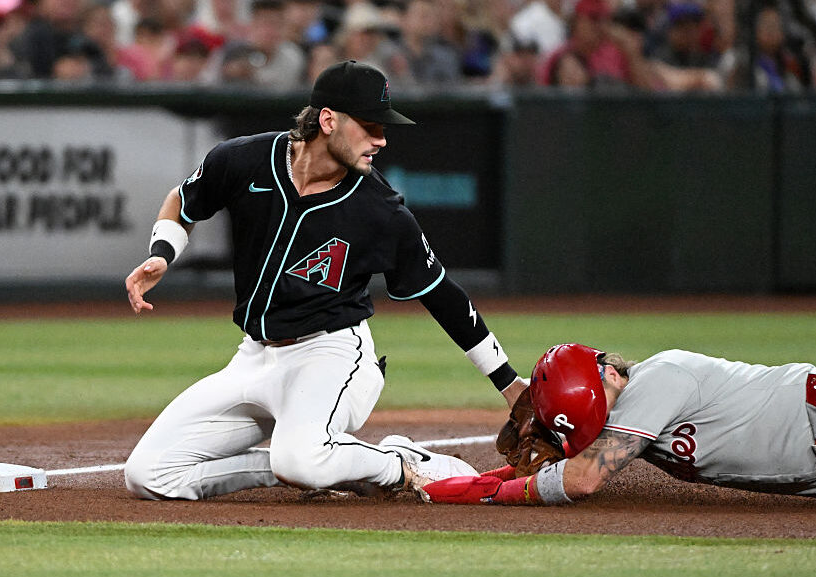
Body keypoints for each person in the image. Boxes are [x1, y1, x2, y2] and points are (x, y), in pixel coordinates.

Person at [123, 60, 527, 501]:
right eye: (370, 126)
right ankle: (308, 469)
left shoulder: (381, 210)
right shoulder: (246, 159)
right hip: (254, 358)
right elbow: (184, 201)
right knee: (147, 475)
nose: (382, 139)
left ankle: (404, 463)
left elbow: (442, 295)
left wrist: (508, 383)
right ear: (328, 120)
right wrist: (161, 255)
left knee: (300, 457)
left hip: (332, 356)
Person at [423, 343, 816, 511]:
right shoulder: (630, 434)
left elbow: (582, 478)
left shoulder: (661, 376)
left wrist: (492, 495)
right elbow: (574, 463)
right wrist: (495, 478)